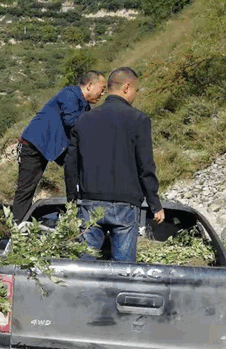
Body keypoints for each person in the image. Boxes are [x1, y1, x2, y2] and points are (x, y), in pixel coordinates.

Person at [64, 67, 165, 263]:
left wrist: (71, 200)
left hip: (90, 204)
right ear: (127, 87)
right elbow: (145, 166)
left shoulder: (84, 119)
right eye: (135, 89)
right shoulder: (138, 120)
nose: (135, 94)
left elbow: (71, 164)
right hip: (125, 207)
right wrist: (155, 204)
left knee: (85, 268)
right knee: (123, 273)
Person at [12, 71, 107, 222]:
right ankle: (17, 229)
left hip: (57, 146)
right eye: (102, 88)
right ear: (90, 85)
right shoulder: (69, 94)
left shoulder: (85, 107)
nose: (103, 93)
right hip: (35, 145)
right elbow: (71, 121)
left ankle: (73, 211)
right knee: (26, 190)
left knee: (80, 169)